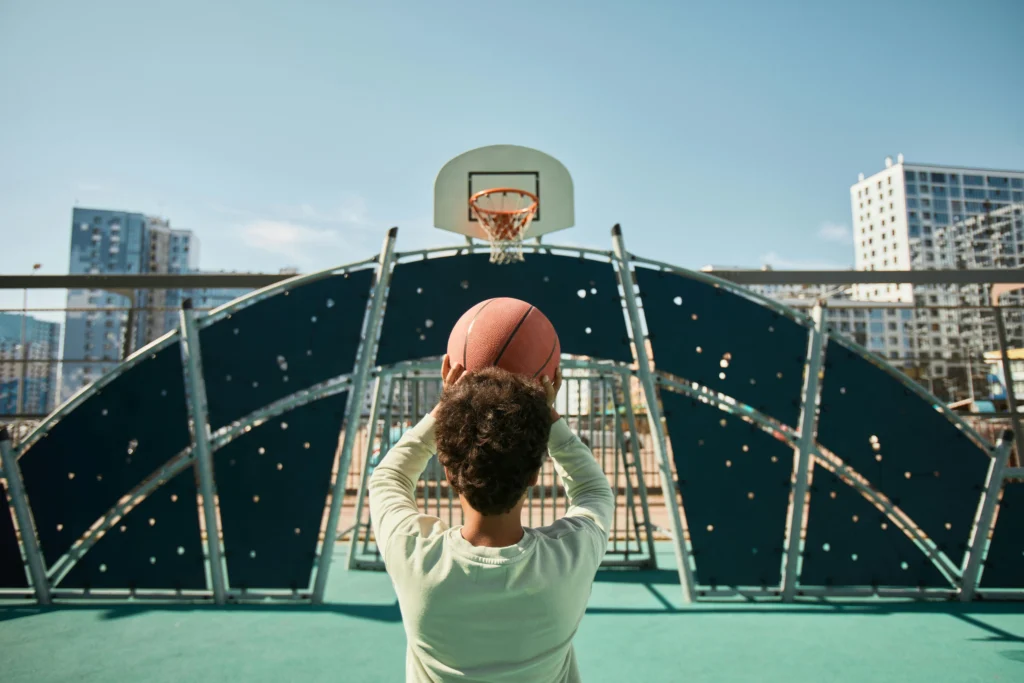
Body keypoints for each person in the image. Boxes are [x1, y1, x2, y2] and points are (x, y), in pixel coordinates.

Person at [368, 356, 614, 682]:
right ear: (534, 476)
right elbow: (593, 490)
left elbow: (388, 477)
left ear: (448, 472)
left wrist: (446, 407)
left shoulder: (415, 554)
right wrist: (547, 415)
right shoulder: (568, 558)